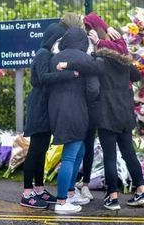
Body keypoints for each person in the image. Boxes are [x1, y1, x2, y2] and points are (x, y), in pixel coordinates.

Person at [58, 28, 144, 211]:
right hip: (125, 113)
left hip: (108, 113)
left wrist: (66, 65)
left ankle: (112, 197)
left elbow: (87, 67)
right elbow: (137, 76)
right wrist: (125, 53)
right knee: (129, 153)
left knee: (110, 156)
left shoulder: (100, 59)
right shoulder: (123, 60)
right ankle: (141, 191)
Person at [21, 14, 82, 209]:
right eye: (59, 40)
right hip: (39, 107)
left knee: (42, 150)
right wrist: (68, 74)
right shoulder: (43, 54)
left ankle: (39, 189)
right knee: (35, 150)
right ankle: (27, 192)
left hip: (46, 107)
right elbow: (43, 78)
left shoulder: (48, 54)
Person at [75, 12, 127, 201]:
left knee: (89, 144)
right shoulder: (87, 44)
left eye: (86, 26)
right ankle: (82, 186)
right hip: (100, 103)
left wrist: (106, 30)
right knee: (86, 144)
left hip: (96, 103)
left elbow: (122, 52)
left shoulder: (103, 46)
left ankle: (86, 185)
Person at [48, 27, 100, 214]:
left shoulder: (54, 58)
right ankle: (62, 202)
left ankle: (70, 192)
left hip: (56, 110)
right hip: (77, 111)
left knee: (80, 150)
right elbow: (93, 90)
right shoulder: (86, 59)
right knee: (70, 156)